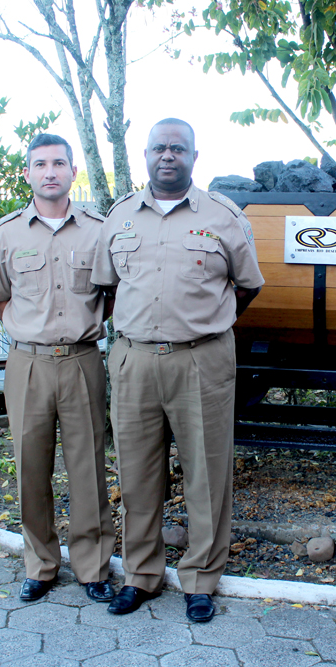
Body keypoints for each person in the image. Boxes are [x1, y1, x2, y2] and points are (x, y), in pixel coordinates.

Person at [92, 118, 264, 623]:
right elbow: (107, 287)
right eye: (160, 148)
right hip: (135, 360)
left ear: (194, 156)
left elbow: (247, 286)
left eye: (179, 148)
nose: (168, 156)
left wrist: (207, 324)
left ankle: (201, 579)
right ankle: (141, 575)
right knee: (138, 474)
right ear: (146, 154)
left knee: (207, 474)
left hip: (202, 360)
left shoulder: (223, 216)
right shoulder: (121, 217)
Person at [0, 133, 116, 603]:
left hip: (81, 361)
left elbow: (112, 293)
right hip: (28, 365)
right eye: (40, 164)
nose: (50, 172)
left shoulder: (99, 229)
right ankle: (39, 565)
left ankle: (92, 566)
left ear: (73, 171)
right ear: (28, 173)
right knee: (30, 468)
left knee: (88, 467)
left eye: (59, 163)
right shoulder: (8, 232)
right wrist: (29, 329)